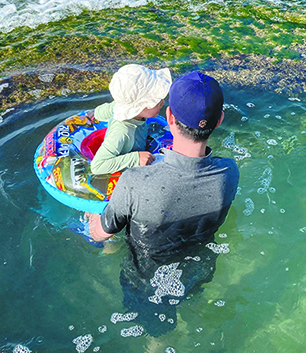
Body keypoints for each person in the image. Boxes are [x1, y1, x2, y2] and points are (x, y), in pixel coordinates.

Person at [86, 71, 240, 335]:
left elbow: (100, 232)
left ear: (169, 117)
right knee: (190, 302)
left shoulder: (136, 181)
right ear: (220, 120)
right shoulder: (229, 172)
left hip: (147, 283)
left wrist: (91, 216)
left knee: (157, 332)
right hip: (199, 270)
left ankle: (158, 352)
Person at [89, 64, 172, 176]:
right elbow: (97, 166)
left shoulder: (118, 105)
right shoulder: (122, 132)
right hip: (123, 167)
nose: (162, 102)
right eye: (156, 100)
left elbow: (99, 112)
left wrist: (92, 115)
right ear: (140, 106)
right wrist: (135, 158)